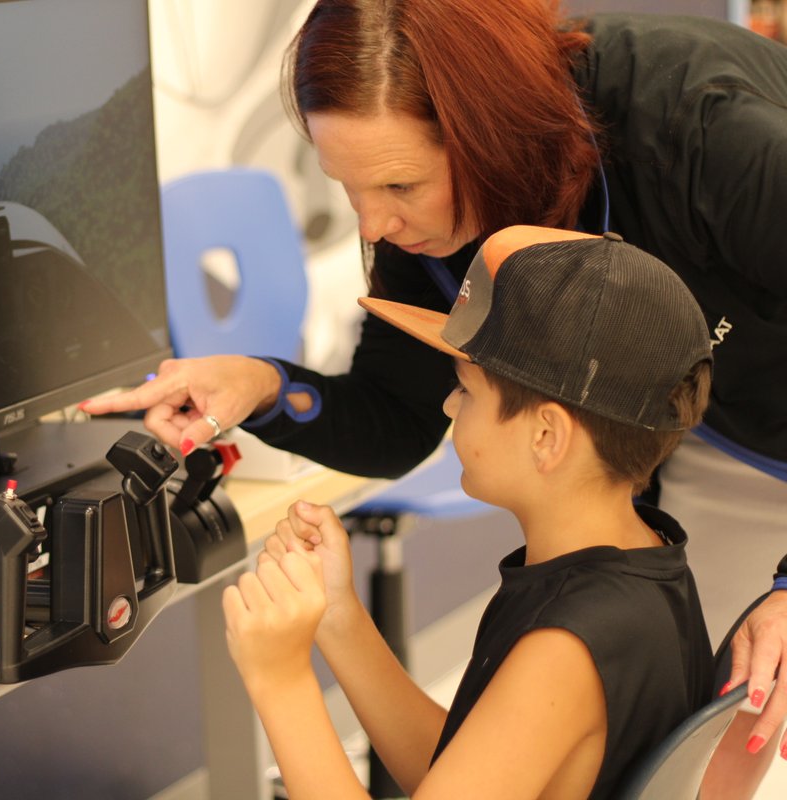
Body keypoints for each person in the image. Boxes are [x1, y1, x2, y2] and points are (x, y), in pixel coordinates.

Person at [81, 0, 787, 759]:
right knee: (711, 738)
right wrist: (260, 384)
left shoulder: (694, 126)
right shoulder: (424, 231)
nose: (371, 227)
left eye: (398, 187)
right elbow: (394, 419)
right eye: (346, 187)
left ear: (492, 137)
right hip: (702, 433)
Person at [223, 224, 715, 798]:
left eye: (467, 389)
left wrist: (280, 681)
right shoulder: (642, 565)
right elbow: (471, 770)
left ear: (546, 437)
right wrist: (338, 616)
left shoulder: (565, 648)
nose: (449, 404)